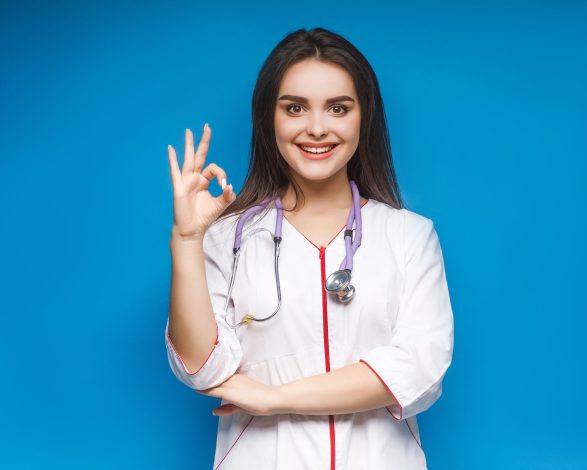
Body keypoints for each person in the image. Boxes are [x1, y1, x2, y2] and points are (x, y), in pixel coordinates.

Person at [165, 27, 454, 470]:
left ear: (364, 117)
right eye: (295, 108)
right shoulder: (229, 239)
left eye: (338, 108)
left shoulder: (409, 235)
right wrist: (187, 241)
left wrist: (272, 398)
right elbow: (201, 367)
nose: (317, 128)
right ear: (268, 118)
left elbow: (418, 368)